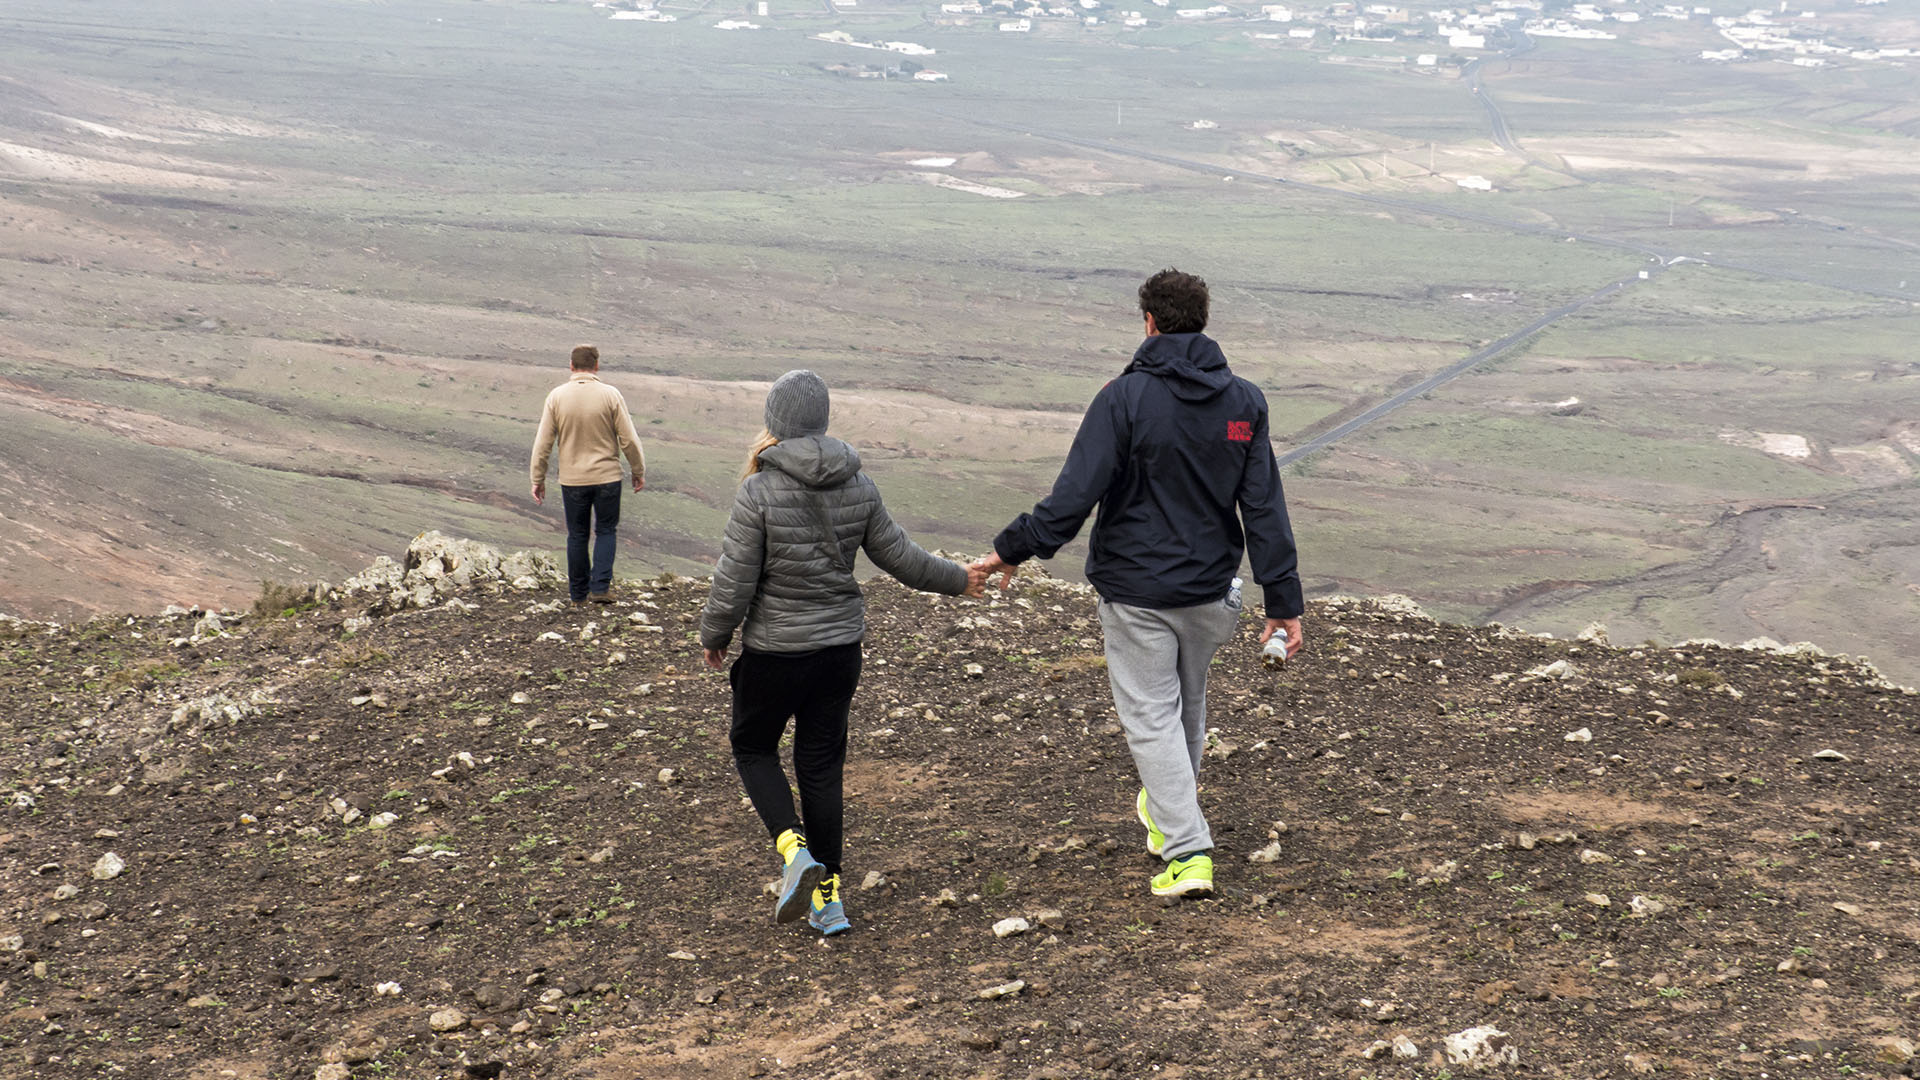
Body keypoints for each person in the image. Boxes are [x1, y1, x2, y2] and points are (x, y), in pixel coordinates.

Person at [972, 269, 1304, 900]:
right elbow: (1262, 508)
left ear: (1148, 322)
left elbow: (1073, 498)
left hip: (1138, 593)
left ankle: (1188, 854)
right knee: (1186, 707)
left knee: (1152, 718)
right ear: (1202, 321)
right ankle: (1165, 814)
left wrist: (1011, 551)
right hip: (1211, 595)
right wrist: (1283, 601)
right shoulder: (1245, 403)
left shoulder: (1124, 400)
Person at [699, 370, 988, 935]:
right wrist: (961, 579)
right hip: (838, 653)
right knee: (821, 768)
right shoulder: (859, 484)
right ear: (823, 420)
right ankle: (828, 900)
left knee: (753, 746)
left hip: (776, 654)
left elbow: (732, 582)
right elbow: (902, 559)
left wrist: (714, 635)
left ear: (776, 422)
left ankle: (793, 853)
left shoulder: (758, 490)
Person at [529, 344, 647, 604]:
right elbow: (628, 440)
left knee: (577, 534)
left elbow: (543, 444)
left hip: (572, 480)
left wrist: (537, 479)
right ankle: (601, 588)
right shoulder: (610, 395)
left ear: (571, 366)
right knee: (606, 530)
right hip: (607, 476)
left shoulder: (556, 397)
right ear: (596, 366)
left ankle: (578, 593)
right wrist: (638, 470)